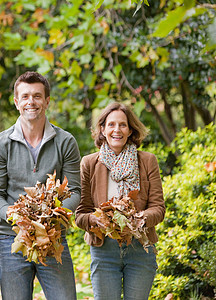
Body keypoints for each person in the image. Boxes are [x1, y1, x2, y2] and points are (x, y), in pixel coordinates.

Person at [0, 71, 81, 300]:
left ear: (47, 101)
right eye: (25, 96)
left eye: (37, 96)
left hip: (53, 235)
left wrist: (51, 218)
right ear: (16, 102)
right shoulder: (0, 144)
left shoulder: (65, 141)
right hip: (12, 237)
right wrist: (15, 216)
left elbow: (75, 191)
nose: (31, 102)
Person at [75, 102, 166, 300]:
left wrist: (139, 219)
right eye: (111, 125)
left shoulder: (147, 160)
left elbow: (158, 208)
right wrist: (95, 219)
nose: (117, 130)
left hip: (140, 247)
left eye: (123, 125)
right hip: (104, 250)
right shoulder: (89, 163)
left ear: (131, 129)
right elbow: (80, 214)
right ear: (102, 129)